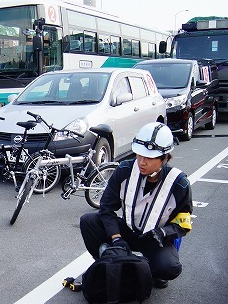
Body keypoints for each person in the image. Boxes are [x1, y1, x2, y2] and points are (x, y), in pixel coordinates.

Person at [79, 122, 193, 289]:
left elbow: (183, 223)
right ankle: (110, 262)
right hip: (127, 230)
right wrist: (116, 238)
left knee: (169, 268)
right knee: (88, 221)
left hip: (154, 237)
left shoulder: (180, 184)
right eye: (139, 155)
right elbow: (107, 208)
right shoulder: (124, 170)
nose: (142, 162)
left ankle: (153, 272)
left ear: (165, 157)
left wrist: (162, 232)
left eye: (149, 157)